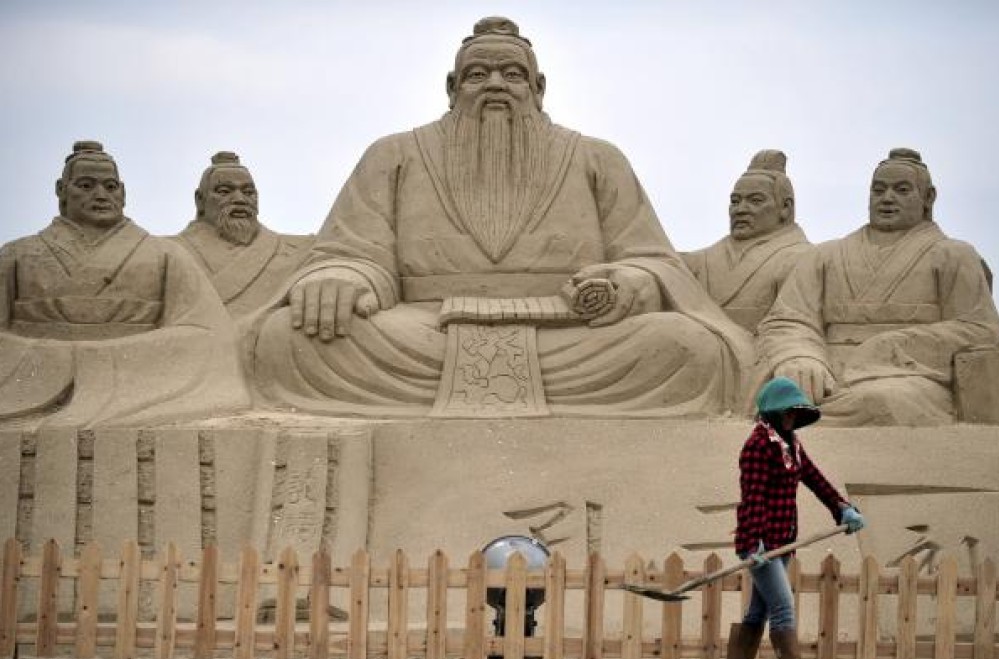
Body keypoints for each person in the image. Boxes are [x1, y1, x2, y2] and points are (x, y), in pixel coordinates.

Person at [249, 17, 752, 417]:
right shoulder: (394, 154)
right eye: (477, 74)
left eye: (512, 74)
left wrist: (631, 281)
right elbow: (352, 251)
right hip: (423, 335)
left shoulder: (597, 158)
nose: (495, 84)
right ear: (453, 86)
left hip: (570, 340)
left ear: (538, 86)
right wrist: (340, 276)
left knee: (689, 348)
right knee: (285, 340)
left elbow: (651, 259)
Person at [0, 141, 249, 427]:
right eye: (86, 185)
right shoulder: (17, 254)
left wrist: (94, 358)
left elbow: (209, 336)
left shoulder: (165, 254)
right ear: (61, 190)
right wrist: (53, 356)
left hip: (139, 373)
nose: (101, 195)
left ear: (124, 192)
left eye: (110, 186)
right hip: (32, 376)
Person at [758, 148, 999, 425]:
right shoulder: (825, 256)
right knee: (776, 399)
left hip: (908, 375)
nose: (887, 198)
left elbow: (984, 330)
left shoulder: (954, 255)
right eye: (878, 190)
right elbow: (788, 319)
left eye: (901, 190)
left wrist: (890, 346)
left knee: (881, 401)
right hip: (826, 370)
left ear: (928, 198)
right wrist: (800, 356)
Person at [730, 376, 865, 659]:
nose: (792, 417)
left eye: (796, 412)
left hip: (783, 540)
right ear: (774, 413)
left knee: (758, 612)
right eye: (788, 411)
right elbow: (753, 497)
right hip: (762, 544)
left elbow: (816, 480)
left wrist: (842, 508)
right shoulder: (757, 446)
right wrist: (753, 543)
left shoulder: (791, 444)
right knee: (783, 608)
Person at [682, 150, 813, 333]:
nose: (740, 209)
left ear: (785, 207)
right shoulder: (700, 261)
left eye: (755, 201)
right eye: (735, 201)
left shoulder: (803, 259)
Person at [176, 151, 312, 317]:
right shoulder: (167, 251)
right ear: (200, 200)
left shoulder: (301, 249)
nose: (240, 199)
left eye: (248, 192)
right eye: (225, 191)